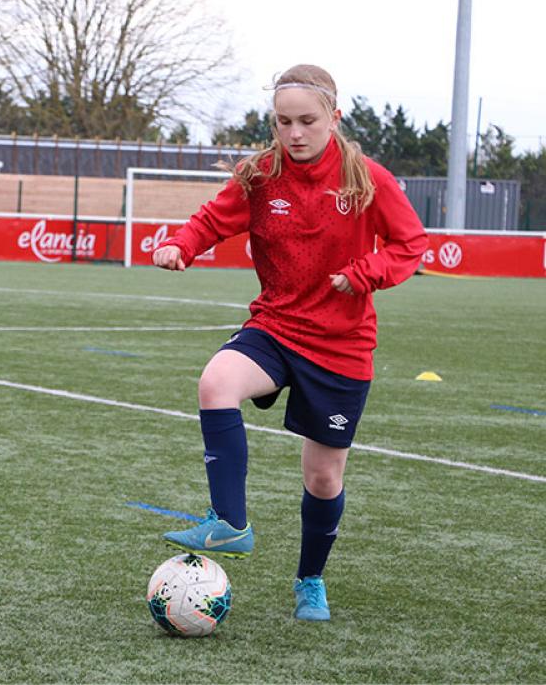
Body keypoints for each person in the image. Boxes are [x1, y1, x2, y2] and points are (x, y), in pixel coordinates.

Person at [152, 64, 427, 621]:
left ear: (334, 117)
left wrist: (366, 272)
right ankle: (230, 523)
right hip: (276, 325)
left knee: (323, 477)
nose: (295, 133)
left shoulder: (366, 177)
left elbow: (411, 244)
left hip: (341, 345)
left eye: (307, 121)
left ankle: (310, 581)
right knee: (216, 382)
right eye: (283, 122)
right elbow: (212, 219)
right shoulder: (260, 174)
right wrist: (183, 244)